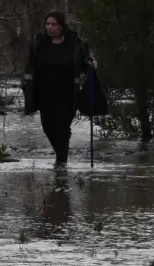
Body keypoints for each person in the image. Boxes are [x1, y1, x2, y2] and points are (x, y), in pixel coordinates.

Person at [22, 10, 99, 166]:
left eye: (54, 24)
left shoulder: (73, 43)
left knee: (63, 129)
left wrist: (91, 62)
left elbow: (84, 58)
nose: (50, 27)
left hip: (67, 95)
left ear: (62, 26)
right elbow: (30, 67)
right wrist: (27, 88)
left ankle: (62, 162)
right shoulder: (39, 44)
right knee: (48, 127)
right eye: (48, 24)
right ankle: (61, 156)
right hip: (44, 94)